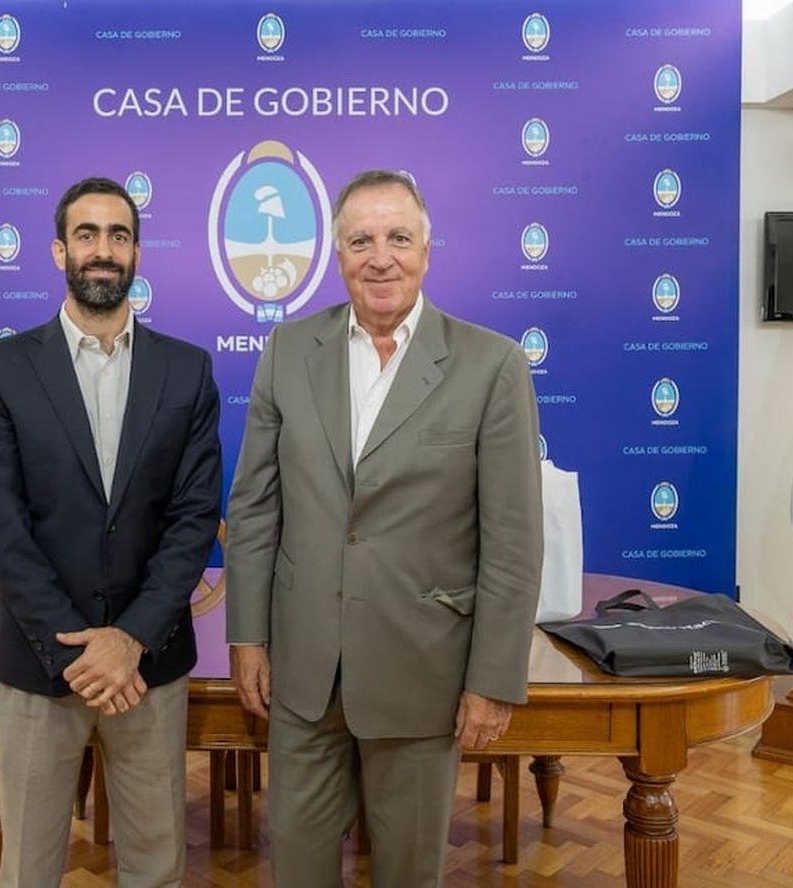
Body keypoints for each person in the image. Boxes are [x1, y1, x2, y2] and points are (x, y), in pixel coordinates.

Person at [225, 169, 543, 886]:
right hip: (300, 677)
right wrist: (246, 636)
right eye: (360, 240)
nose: (380, 257)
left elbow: (513, 540)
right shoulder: (286, 351)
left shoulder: (491, 365)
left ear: (427, 251)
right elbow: (252, 508)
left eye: (398, 237)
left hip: (422, 672)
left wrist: (492, 677)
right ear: (336, 256)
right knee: (297, 871)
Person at [0, 176, 222, 888]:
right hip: (42, 664)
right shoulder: (0, 369)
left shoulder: (186, 371)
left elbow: (193, 519)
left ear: (137, 253)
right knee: (30, 867)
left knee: (156, 863)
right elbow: (0, 526)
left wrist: (128, 640)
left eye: (118, 235)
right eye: (87, 234)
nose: (102, 250)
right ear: (57, 251)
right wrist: (80, 651)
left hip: (149, 665)